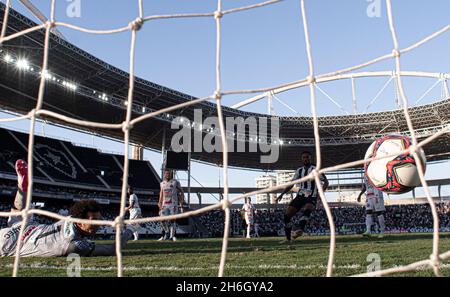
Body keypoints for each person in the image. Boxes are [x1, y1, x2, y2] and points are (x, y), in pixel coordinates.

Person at [0, 160, 133, 257]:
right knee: (19, 214)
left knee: (19, 212)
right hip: (12, 245)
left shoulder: (69, 219)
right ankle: (23, 189)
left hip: (26, 228)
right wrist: (128, 232)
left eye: (98, 220)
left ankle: (22, 189)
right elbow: (111, 250)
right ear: (79, 221)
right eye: (94, 222)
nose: (98, 225)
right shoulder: (74, 245)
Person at [276, 151, 328, 243]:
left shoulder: (315, 169)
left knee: (308, 209)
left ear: (310, 158)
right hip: (300, 195)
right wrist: (282, 194)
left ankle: (300, 229)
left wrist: (320, 194)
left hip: (312, 195)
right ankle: (288, 239)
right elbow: (291, 184)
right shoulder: (299, 170)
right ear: (301, 159)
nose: (305, 159)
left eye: (307, 157)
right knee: (287, 215)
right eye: (304, 157)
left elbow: (326, 182)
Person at [158, 169, 184, 241]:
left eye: (168, 174)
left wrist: (181, 202)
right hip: (164, 205)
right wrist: (159, 203)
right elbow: (161, 194)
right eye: (166, 174)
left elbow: (181, 191)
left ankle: (172, 236)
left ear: (171, 175)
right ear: (164, 175)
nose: (167, 175)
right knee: (162, 220)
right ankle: (166, 232)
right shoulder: (162, 183)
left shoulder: (175, 182)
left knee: (173, 220)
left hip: (173, 204)